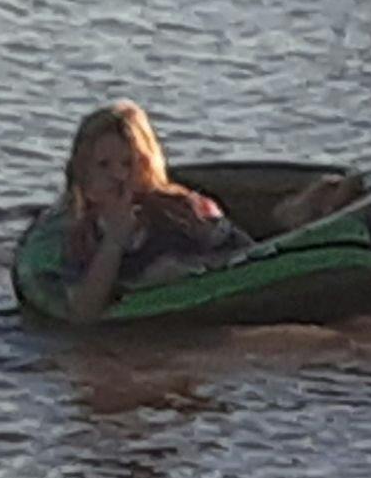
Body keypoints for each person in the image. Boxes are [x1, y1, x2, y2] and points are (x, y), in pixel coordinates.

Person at [52, 102, 253, 322]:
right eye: (103, 165)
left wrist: (191, 270)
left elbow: (244, 255)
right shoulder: (83, 236)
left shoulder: (181, 212)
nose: (118, 175)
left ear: (146, 167)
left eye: (128, 164)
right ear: (84, 175)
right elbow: (83, 312)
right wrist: (115, 240)